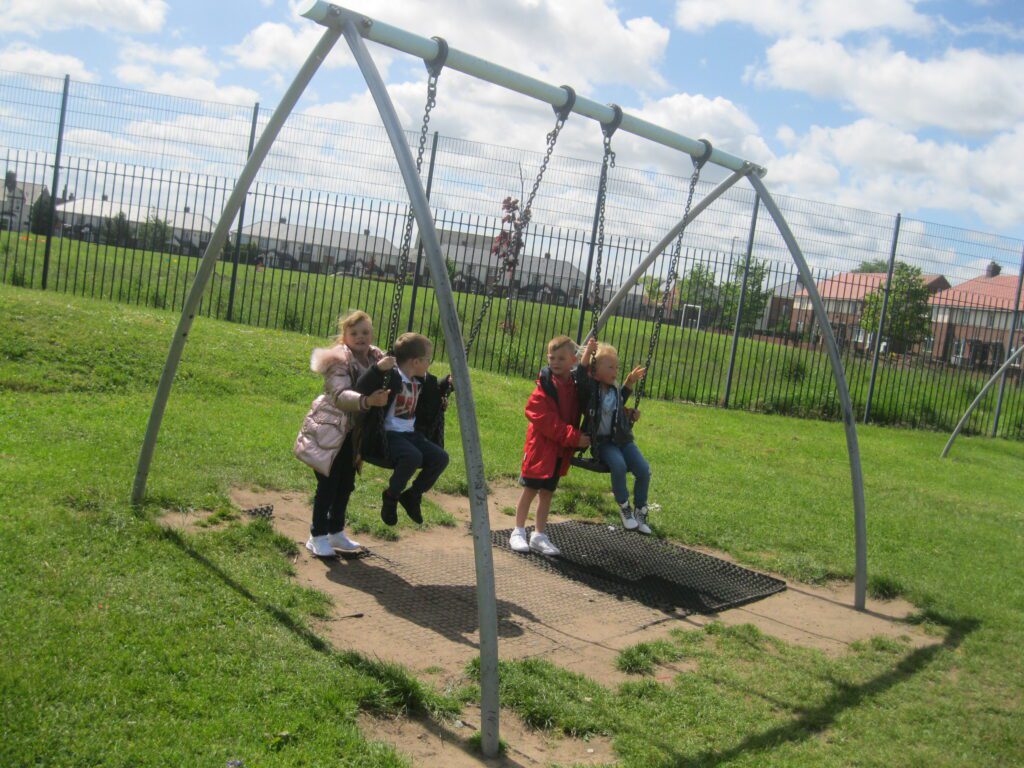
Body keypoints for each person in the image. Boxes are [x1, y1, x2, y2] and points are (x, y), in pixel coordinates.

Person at [293, 310, 388, 558]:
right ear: (344, 336)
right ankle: (317, 536)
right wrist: (367, 401)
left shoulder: (376, 358)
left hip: (354, 434)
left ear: (372, 334)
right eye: (354, 333)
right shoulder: (338, 360)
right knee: (328, 484)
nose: (360, 337)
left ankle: (335, 531)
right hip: (332, 430)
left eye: (365, 332)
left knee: (346, 484)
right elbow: (339, 395)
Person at [354, 332, 451, 526]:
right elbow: (361, 386)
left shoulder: (420, 380)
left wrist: (448, 385)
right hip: (387, 435)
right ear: (416, 362)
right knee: (413, 457)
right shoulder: (391, 376)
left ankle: (413, 495)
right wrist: (378, 369)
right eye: (428, 360)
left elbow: (435, 390)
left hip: (411, 435)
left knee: (441, 457)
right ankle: (391, 496)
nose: (429, 364)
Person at [511, 336, 590, 556]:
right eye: (551, 357)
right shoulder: (544, 387)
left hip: (558, 452)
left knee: (547, 493)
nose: (555, 362)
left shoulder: (574, 387)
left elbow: (589, 397)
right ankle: (518, 531)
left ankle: (539, 534)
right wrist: (573, 437)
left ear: (573, 360)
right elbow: (546, 420)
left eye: (561, 358)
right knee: (530, 490)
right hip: (540, 450)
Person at [578, 338, 652, 534]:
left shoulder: (614, 389)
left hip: (623, 440)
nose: (615, 371)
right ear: (595, 371)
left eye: (616, 367)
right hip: (603, 444)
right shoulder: (592, 390)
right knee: (618, 465)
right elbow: (580, 375)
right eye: (610, 367)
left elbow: (621, 402)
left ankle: (640, 510)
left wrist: (631, 411)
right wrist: (588, 353)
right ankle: (624, 506)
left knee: (644, 470)